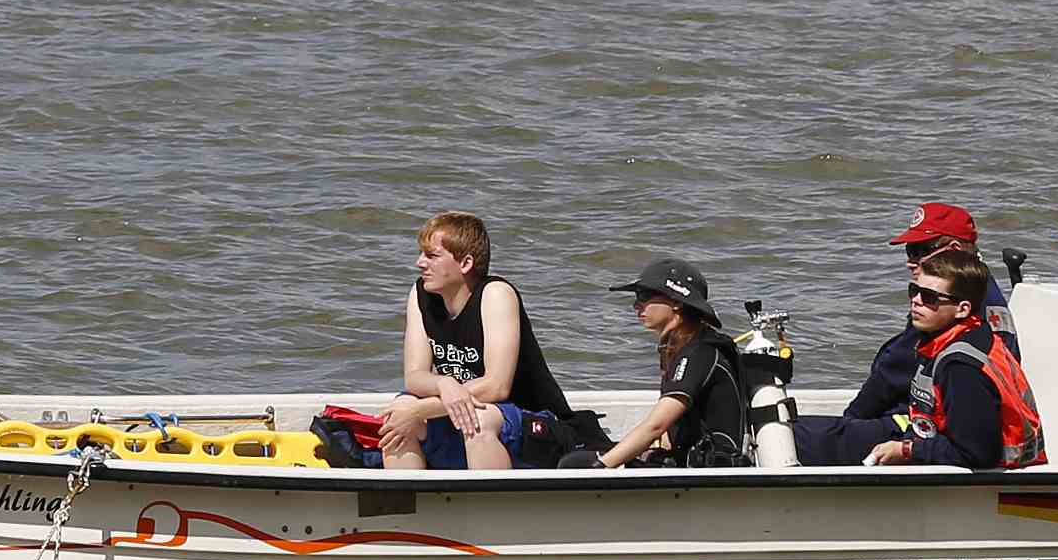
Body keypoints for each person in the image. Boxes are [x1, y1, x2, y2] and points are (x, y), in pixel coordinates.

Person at [792, 198, 1012, 465]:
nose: (911, 262)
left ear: (954, 249)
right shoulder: (970, 290)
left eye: (920, 250)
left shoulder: (954, 327)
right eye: (909, 251)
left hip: (921, 429)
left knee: (793, 439)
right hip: (923, 415)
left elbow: (893, 374)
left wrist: (899, 445)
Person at [389, 212, 572, 469]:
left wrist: (422, 410)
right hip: (461, 407)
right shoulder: (421, 294)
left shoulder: (496, 294)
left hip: (531, 422)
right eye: (421, 254)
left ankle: (490, 495)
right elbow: (415, 377)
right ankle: (411, 493)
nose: (420, 263)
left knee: (478, 420)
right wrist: (444, 384)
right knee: (399, 413)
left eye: (431, 256)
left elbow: (497, 387)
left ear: (465, 263)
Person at [862, 247, 1040, 470]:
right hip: (933, 444)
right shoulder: (965, 335)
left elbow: (976, 453)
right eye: (914, 290)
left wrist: (906, 450)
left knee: (823, 441)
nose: (916, 300)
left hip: (992, 478)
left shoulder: (961, 368)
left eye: (929, 297)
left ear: (962, 309)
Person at [590, 256, 757, 470]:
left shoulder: (699, 352)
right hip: (690, 462)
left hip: (713, 472)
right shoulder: (683, 346)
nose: (636, 305)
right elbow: (669, 433)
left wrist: (600, 467)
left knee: (576, 462)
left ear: (677, 302)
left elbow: (656, 426)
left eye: (645, 296)